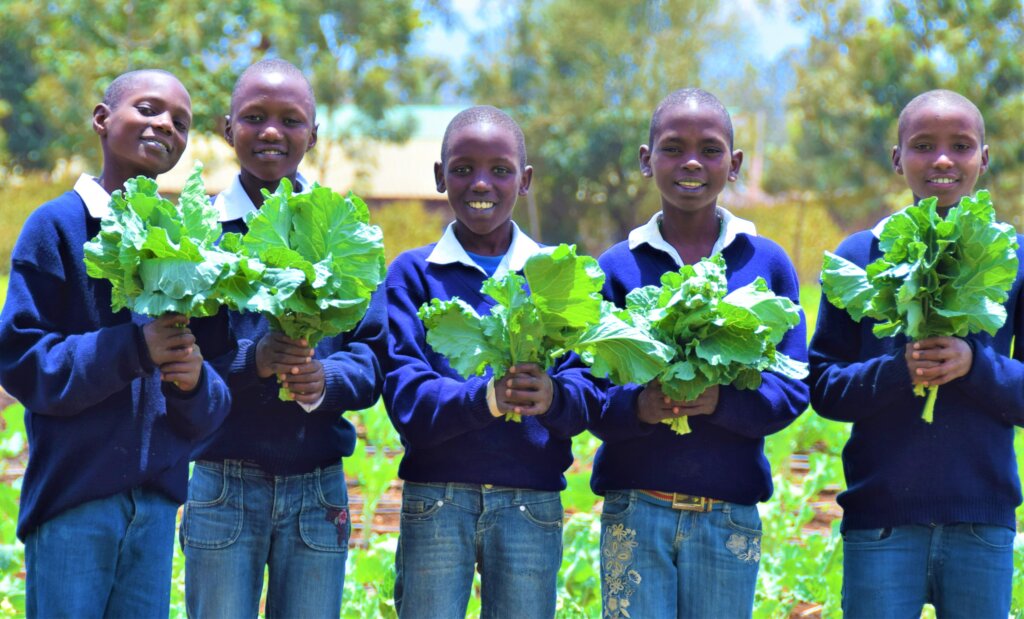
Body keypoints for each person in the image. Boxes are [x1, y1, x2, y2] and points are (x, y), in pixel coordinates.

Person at [0, 69, 231, 618]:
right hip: (74, 504)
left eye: (181, 123)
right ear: (102, 120)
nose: (165, 127)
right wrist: (133, 347)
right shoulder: (56, 227)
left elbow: (211, 393)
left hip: (154, 509)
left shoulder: (187, 245)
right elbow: (23, 362)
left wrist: (194, 381)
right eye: (149, 110)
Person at [589, 88, 809, 618]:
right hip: (634, 510)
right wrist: (639, 406)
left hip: (728, 514)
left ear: (734, 165)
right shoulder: (615, 268)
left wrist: (719, 402)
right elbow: (586, 388)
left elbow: (793, 383)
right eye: (673, 148)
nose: (692, 162)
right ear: (647, 160)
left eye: (710, 150)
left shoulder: (768, 263)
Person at [181, 58, 386, 619]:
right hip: (223, 484)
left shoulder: (346, 229)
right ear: (228, 129)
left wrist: (326, 381)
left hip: (318, 487)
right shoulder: (199, 234)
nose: (272, 131)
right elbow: (181, 367)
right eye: (254, 117)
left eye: (291, 120)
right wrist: (255, 362)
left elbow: (373, 355)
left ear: (313, 136)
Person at [808, 89, 1021, 618]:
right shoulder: (858, 257)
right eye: (923, 145)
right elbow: (823, 387)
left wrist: (976, 366)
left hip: (982, 519)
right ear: (898, 157)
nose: (943, 159)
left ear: (984, 158)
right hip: (881, 519)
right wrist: (897, 371)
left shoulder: (1012, 258)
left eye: (961, 145)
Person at [382, 105, 597, 618]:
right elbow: (406, 399)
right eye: (462, 169)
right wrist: (487, 399)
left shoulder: (556, 274)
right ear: (440, 177)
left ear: (524, 181)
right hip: (436, 499)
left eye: (500, 170)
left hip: (530, 501)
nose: (482, 183)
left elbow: (591, 392)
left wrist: (554, 396)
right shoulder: (412, 274)